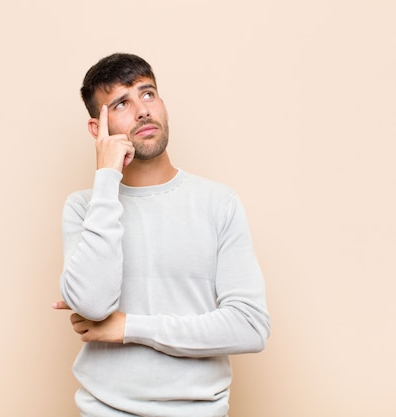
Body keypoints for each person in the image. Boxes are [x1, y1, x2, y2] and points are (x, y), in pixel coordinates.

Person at [53, 53, 270, 417]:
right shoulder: (83, 208)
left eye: (148, 93)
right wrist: (106, 179)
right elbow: (93, 304)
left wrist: (128, 327)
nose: (142, 111)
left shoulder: (219, 203)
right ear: (98, 129)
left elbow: (249, 326)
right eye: (122, 102)